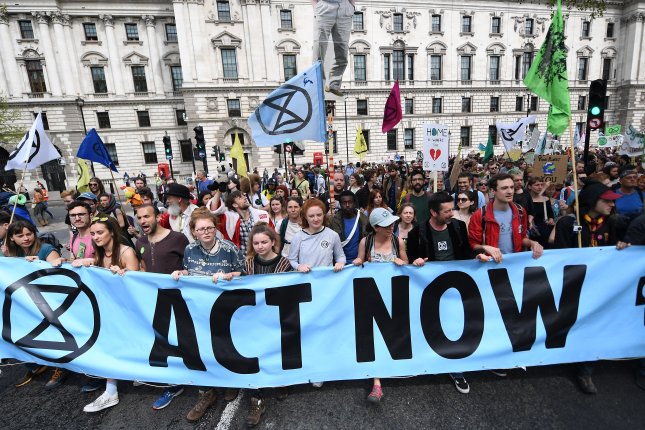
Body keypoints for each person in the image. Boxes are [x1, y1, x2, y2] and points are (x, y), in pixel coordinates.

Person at [170, 208, 244, 422]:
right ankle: (207, 392)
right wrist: (181, 274)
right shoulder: (189, 250)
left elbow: (245, 274)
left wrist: (230, 275)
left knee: (226, 348)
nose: (206, 232)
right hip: (198, 312)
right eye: (201, 229)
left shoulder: (230, 249)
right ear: (193, 231)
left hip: (226, 310)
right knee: (199, 351)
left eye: (210, 227)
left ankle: (231, 383)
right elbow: (189, 272)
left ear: (216, 228)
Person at [553, 181, 624, 394]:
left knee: (596, 324)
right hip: (574, 284)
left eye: (612, 201)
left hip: (600, 286)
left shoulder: (613, 223)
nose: (611, 204)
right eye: (606, 200)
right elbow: (558, 255)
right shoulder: (569, 223)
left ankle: (585, 370)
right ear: (593, 201)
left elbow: (621, 246)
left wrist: (624, 245)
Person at [71, 216, 140, 412]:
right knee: (110, 344)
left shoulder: (126, 252)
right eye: (92, 234)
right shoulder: (100, 253)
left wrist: (124, 273)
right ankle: (112, 389)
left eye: (100, 232)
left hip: (127, 310)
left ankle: (118, 386)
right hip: (109, 308)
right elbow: (95, 265)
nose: (96, 237)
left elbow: (139, 286)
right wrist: (83, 261)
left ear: (111, 231)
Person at [134, 204, 190, 409]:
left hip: (178, 299)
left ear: (157, 217)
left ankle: (176, 383)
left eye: (147, 216)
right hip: (153, 299)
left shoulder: (177, 238)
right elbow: (141, 266)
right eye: (139, 218)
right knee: (159, 338)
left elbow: (190, 265)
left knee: (178, 339)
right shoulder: (140, 241)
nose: (143, 221)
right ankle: (168, 379)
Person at [288, 198, 345, 388]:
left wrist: (340, 263)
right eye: (311, 215)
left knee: (325, 328)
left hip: (327, 290)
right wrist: (299, 266)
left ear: (324, 215)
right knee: (308, 328)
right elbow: (291, 260)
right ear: (305, 216)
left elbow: (341, 255)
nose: (315, 219)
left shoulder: (332, 235)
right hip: (305, 290)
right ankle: (310, 367)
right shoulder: (298, 237)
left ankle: (323, 368)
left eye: (319, 215)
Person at [352, 207, 408, 402]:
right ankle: (377, 382)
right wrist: (358, 261)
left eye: (392, 223)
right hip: (371, 296)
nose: (391, 226)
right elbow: (360, 261)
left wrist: (403, 261)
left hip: (393, 294)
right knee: (374, 337)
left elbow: (405, 263)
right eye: (386, 225)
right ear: (375, 227)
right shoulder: (366, 242)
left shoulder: (397, 240)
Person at [5, 221, 67, 389]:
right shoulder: (10, 254)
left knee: (54, 334)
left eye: (29, 234)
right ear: (11, 238)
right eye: (20, 236)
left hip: (47, 302)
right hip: (25, 303)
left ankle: (61, 367)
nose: (26, 238)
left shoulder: (46, 249)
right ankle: (35, 363)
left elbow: (58, 276)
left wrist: (39, 264)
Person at [243, 223, 293, 427]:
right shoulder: (247, 264)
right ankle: (257, 400)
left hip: (275, 318)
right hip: (254, 320)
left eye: (264, 242)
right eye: (256, 243)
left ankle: (279, 381)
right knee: (254, 358)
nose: (260, 246)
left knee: (276, 353)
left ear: (273, 242)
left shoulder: (284, 263)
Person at [468, 173, 543, 263]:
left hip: (515, 263)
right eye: (504, 188)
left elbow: (521, 237)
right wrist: (485, 247)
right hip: (491, 265)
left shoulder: (520, 211)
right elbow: (473, 244)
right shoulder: (480, 215)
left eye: (511, 187)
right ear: (492, 191)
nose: (510, 191)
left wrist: (533, 243)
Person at [210, 190, 273, 255]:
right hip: (241, 260)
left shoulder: (262, 214)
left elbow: (273, 235)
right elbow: (214, 211)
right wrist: (219, 191)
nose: (245, 198)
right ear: (235, 205)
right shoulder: (229, 219)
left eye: (244, 196)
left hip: (262, 257)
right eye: (240, 198)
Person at [312, 0, 354, 96]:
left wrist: (352, 5)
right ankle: (318, 85)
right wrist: (315, 6)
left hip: (345, 7)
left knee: (343, 50)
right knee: (319, 48)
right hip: (324, 5)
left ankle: (333, 85)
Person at [330, 190, 369, 262]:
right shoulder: (333, 221)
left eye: (350, 202)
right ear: (340, 204)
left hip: (360, 261)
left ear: (354, 203)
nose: (347, 205)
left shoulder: (364, 220)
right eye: (344, 203)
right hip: (340, 264)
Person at [527, 177, 554, 247]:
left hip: (544, 231)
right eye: (537, 185)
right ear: (529, 187)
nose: (540, 187)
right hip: (531, 231)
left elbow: (551, 214)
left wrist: (551, 220)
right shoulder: (526, 200)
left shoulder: (546, 199)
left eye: (542, 185)